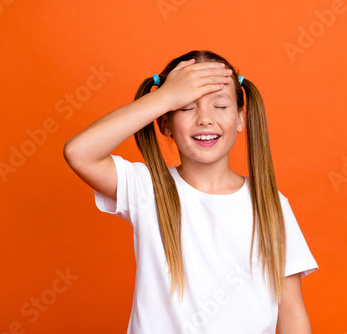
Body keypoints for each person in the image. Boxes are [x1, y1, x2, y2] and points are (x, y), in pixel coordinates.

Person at [63, 50, 319, 333]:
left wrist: (176, 99)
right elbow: (79, 152)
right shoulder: (148, 189)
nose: (205, 119)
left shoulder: (271, 206)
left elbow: (292, 314)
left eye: (220, 106)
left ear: (240, 118)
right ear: (165, 123)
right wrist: (165, 97)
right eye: (186, 107)